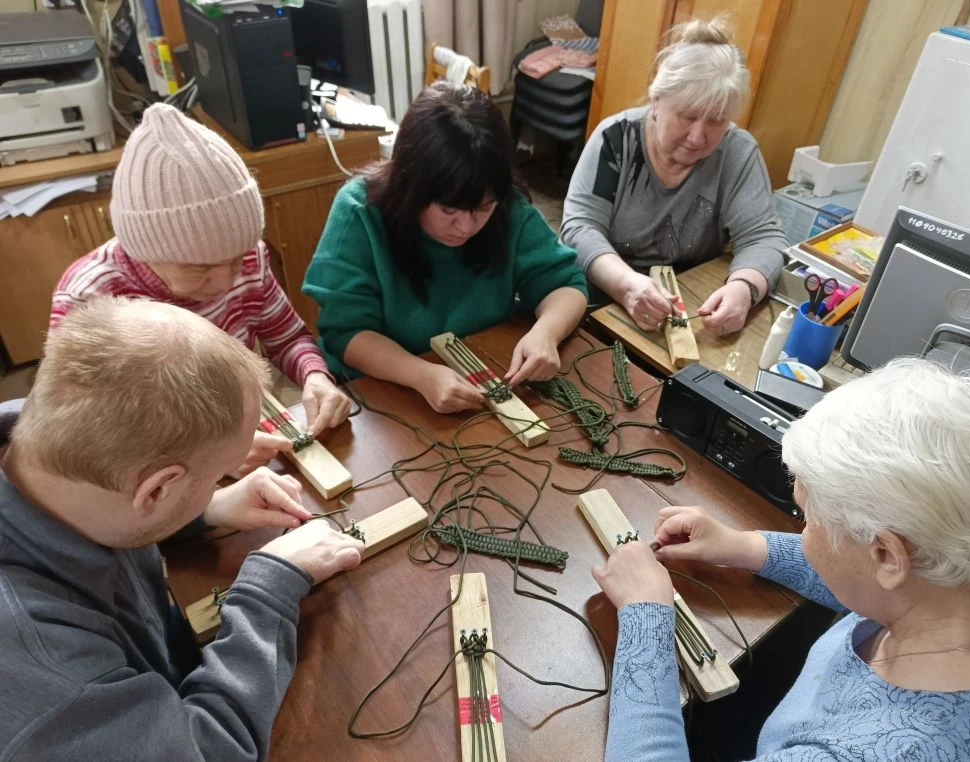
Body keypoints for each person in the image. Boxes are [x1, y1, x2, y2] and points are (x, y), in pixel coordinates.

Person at [593, 358, 970, 760]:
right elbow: (878, 576)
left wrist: (645, 613)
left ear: (886, 553)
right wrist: (746, 548)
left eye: (807, 518)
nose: (803, 529)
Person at [0, 297, 365, 759]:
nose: (220, 485)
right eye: (217, 476)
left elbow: (112, 505)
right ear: (156, 491)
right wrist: (269, 587)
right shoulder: (45, 668)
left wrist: (206, 508)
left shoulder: (43, 442)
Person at [51, 103, 351, 476]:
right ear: (145, 250)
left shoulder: (248, 259)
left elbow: (287, 337)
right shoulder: (90, 300)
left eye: (238, 258)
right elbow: (89, 438)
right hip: (162, 472)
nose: (228, 281)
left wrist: (315, 376)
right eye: (201, 269)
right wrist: (204, 458)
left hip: (249, 437)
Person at [303, 83, 588, 414]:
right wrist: (420, 375)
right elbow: (346, 332)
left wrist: (546, 333)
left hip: (476, 371)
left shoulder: (508, 207)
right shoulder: (359, 213)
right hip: (379, 394)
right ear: (412, 187)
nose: (467, 227)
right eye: (449, 210)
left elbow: (566, 284)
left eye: (484, 207)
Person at [560, 17, 788, 337]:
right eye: (688, 116)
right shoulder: (616, 138)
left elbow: (764, 239)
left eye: (716, 121)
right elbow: (578, 228)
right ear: (656, 100)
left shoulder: (737, 151)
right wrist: (627, 285)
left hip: (689, 308)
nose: (697, 137)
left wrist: (743, 288)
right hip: (605, 293)